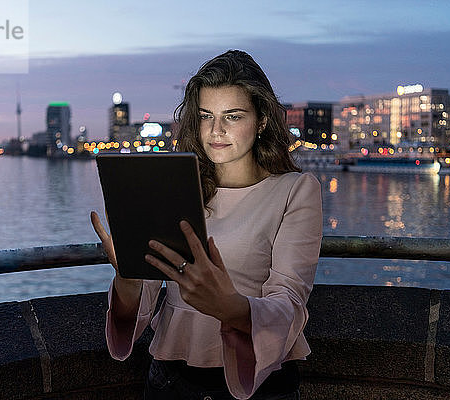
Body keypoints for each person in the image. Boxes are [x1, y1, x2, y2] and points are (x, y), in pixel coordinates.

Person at [90, 49, 322, 400]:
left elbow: (289, 303)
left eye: (232, 116)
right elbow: (136, 310)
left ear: (261, 121)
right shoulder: (172, 188)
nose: (216, 130)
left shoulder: (295, 191)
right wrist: (127, 274)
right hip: (170, 383)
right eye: (205, 116)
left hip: (258, 384)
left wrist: (228, 306)